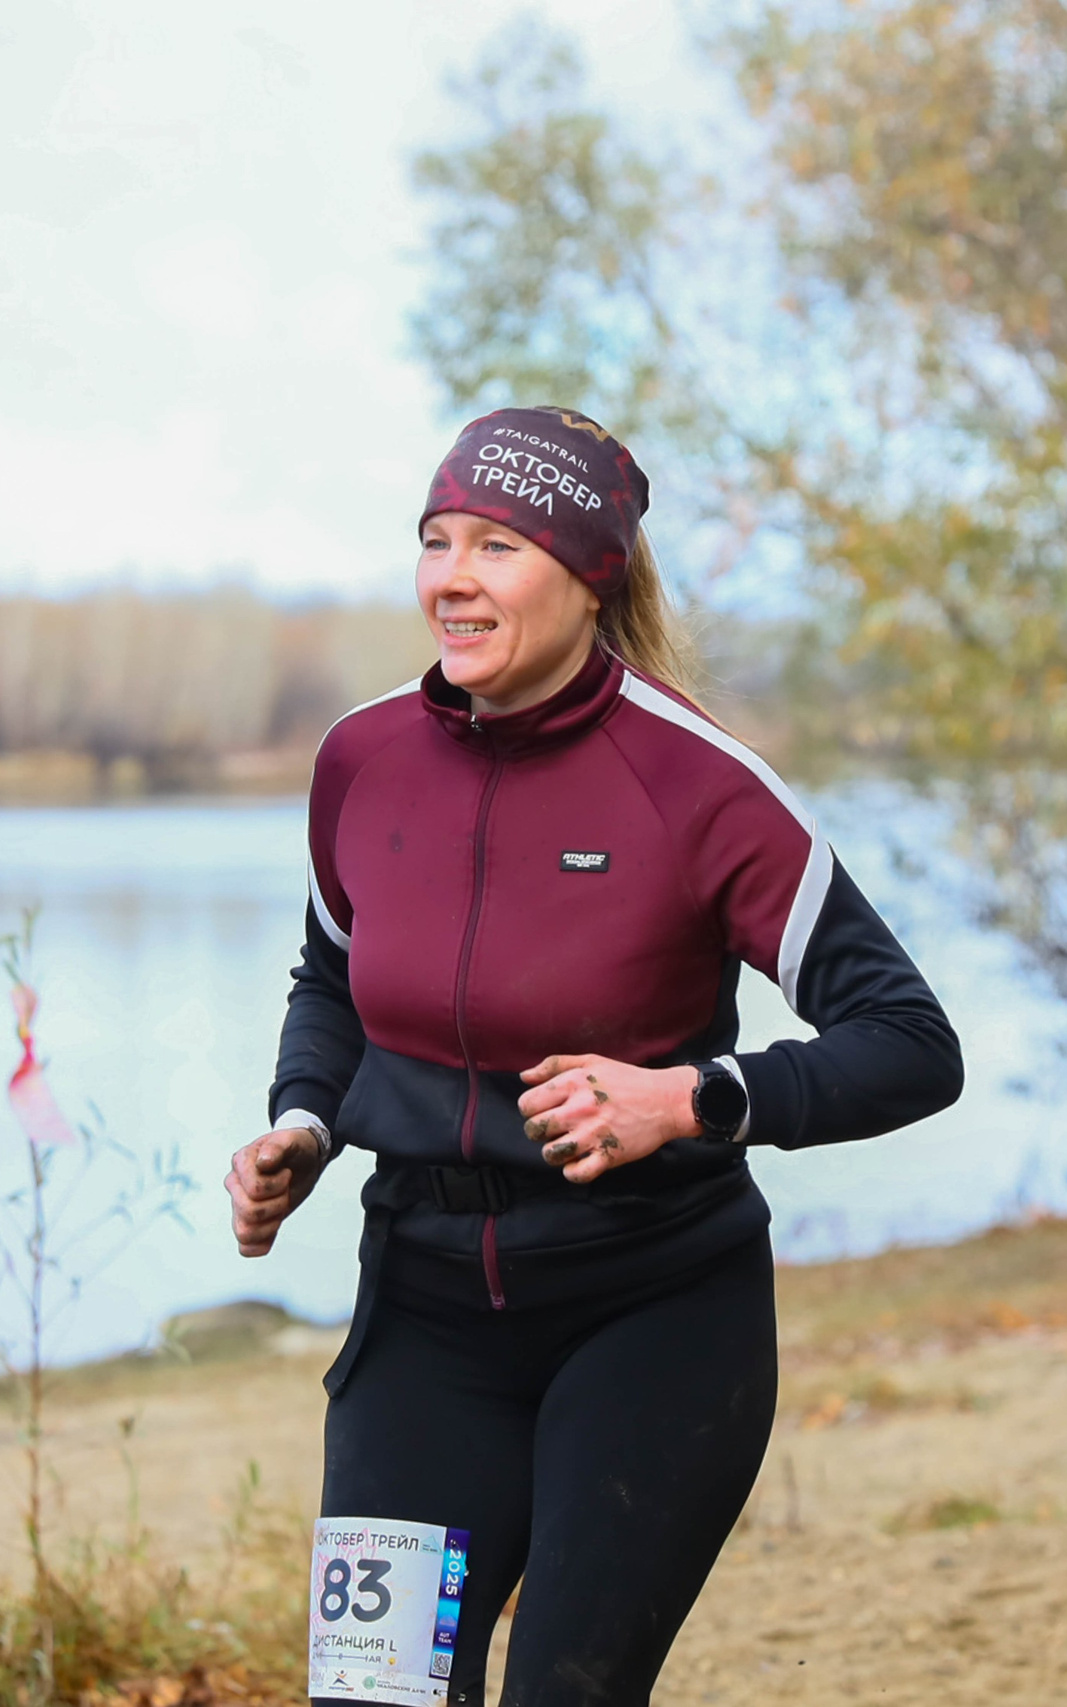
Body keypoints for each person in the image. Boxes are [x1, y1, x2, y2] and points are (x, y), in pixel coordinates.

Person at [227, 406, 964, 1707]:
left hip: (654, 1316)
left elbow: (909, 1045)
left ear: (591, 573)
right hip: (423, 1315)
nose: (451, 577)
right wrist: (305, 1122)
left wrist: (693, 1099)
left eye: (496, 546)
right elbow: (331, 980)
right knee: (373, 1698)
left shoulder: (699, 787)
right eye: (435, 540)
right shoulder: (363, 761)